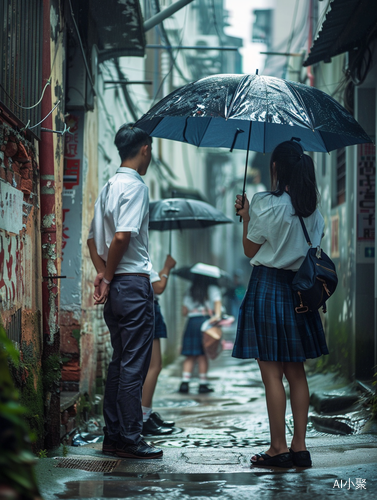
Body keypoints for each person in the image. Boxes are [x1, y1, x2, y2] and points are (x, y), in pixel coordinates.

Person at [233, 140, 328, 469]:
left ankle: (278, 448)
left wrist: (246, 217)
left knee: (272, 374)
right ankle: (300, 448)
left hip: (269, 287)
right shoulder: (313, 210)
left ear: (276, 168)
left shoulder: (265, 203)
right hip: (300, 292)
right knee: (296, 372)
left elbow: (249, 250)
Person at [87, 124, 163, 459]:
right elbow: (121, 237)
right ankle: (131, 438)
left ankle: (114, 436)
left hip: (117, 284)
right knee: (134, 365)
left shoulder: (108, 186)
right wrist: (110, 274)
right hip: (131, 283)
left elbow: (92, 240)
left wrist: (104, 274)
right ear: (145, 148)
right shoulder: (134, 186)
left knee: (120, 362)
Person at [142, 254, 177, 436]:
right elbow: (159, 287)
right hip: (149, 309)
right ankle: (143, 417)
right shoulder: (139, 258)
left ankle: (144, 414)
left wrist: (164, 267)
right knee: (155, 366)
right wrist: (168, 269)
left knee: (148, 366)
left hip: (144, 308)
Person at [179, 274, 222, 394]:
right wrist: (216, 316)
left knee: (190, 355)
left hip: (192, 322)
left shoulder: (190, 290)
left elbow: (184, 311)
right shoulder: (213, 289)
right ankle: (202, 384)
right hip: (206, 322)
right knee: (202, 354)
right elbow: (218, 307)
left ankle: (184, 383)